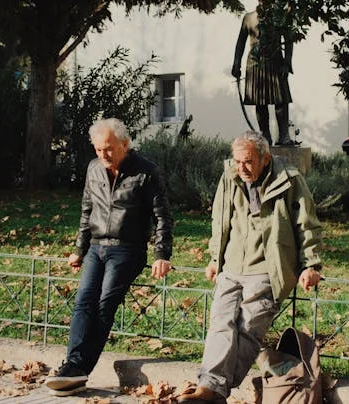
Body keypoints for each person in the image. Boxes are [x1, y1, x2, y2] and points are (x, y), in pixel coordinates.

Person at [178, 130, 322, 404]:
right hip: (232, 265)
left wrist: (310, 264)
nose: (241, 168)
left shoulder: (289, 180)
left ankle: (213, 390)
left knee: (247, 329)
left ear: (265, 159)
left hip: (267, 268)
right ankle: (211, 389)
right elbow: (220, 221)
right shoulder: (230, 177)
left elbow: (307, 225)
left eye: (248, 162)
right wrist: (214, 259)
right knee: (221, 323)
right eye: (237, 161)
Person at [44, 117, 174, 397]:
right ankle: (73, 367)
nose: (102, 154)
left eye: (108, 149)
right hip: (96, 247)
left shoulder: (146, 172)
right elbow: (86, 211)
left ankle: (76, 369)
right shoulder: (93, 168)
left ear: (125, 144)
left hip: (128, 249)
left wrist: (162, 254)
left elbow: (162, 216)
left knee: (104, 304)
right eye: (98, 149)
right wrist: (79, 248)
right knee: (83, 301)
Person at [232, 0, 297, 146]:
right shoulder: (249, 18)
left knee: (281, 101)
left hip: (276, 61)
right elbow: (240, 42)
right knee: (260, 102)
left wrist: (287, 62)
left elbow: (289, 39)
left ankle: (283, 136)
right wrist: (236, 63)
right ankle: (265, 135)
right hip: (255, 65)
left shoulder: (279, 15)